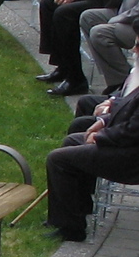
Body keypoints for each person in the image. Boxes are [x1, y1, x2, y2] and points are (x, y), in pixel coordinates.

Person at [48, 83, 139, 242]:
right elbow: (128, 108)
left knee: (57, 159)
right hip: (127, 146)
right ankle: (76, 212)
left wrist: (100, 137)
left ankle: (72, 230)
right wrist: (103, 121)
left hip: (130, 158)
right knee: (72, 141)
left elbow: (132, 130)